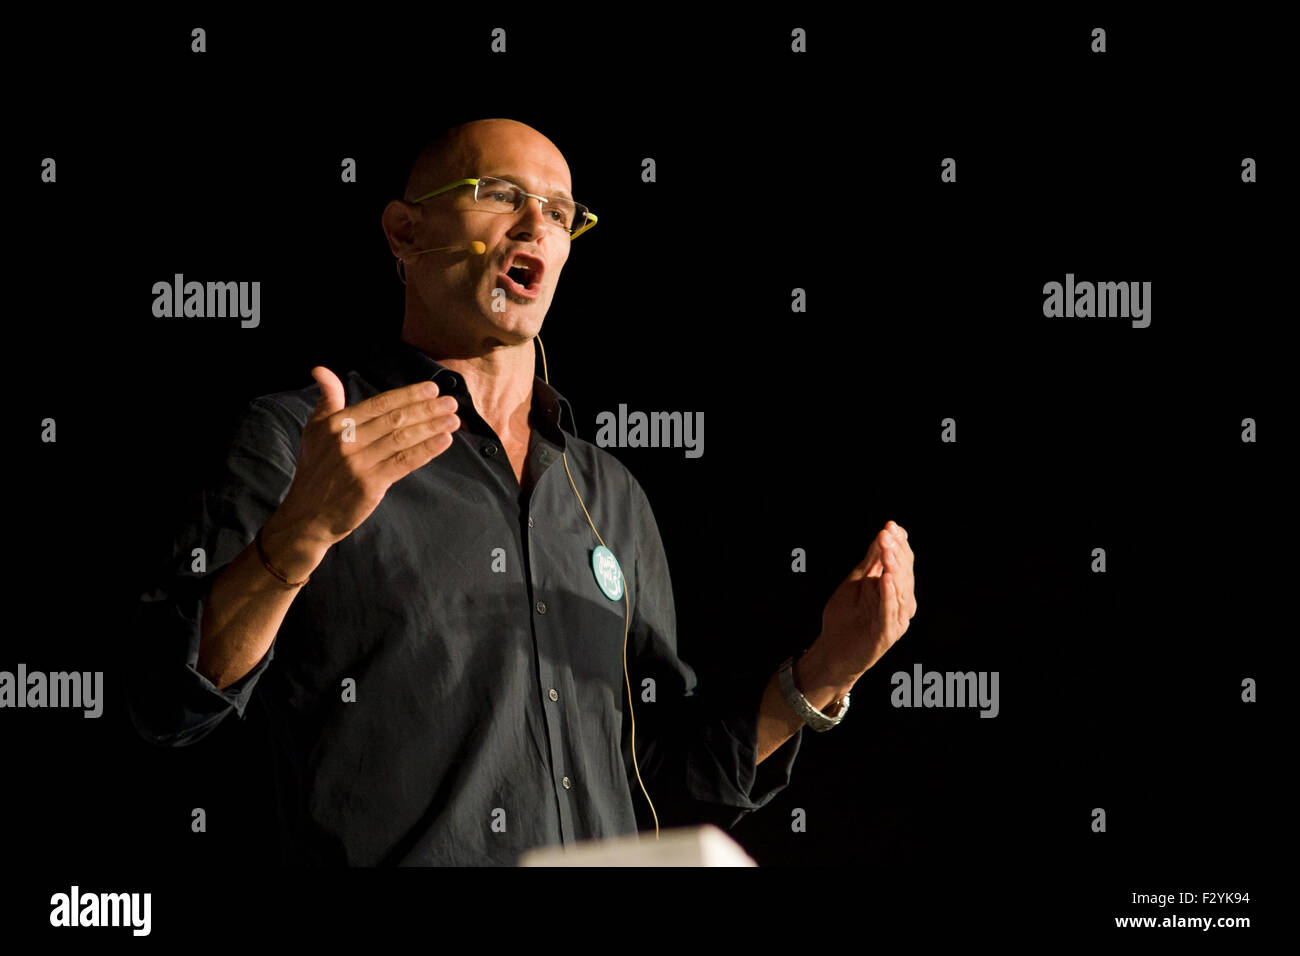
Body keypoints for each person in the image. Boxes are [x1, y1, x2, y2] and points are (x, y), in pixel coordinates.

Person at [129, 118, 918, 866]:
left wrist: (820, 675)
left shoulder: (610, 493)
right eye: (501, 193)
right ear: (405, 233)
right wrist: (297, 538)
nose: (536, 223)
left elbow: (668, 777)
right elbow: (170, 704)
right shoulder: (308, 440)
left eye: (560, 212)